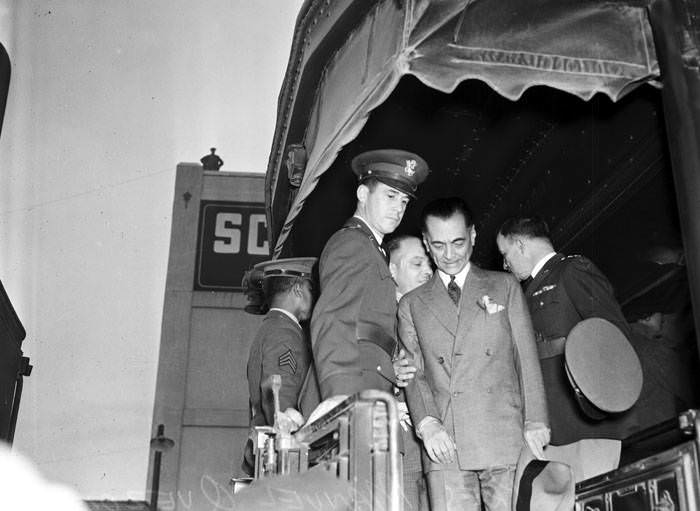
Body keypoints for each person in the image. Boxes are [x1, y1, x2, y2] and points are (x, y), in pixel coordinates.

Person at [400, 197, 549, 511]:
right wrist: (427, 424)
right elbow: (414, 371)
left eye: (458, 243)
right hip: (445, 442)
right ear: (426, 243)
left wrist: (536, 419)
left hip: (503, 433)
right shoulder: (411, 304)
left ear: (473, 235)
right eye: (438, 245)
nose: (449, 255)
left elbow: (526, 357)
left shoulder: (505, 286)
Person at [496, 216, 634, 482]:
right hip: (555, 426)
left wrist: (597, 406)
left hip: (587, 423)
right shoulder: (526, 292)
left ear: (521, 245)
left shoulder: (572, 270)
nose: (505, 263)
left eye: (506, 254)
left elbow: (613, 337)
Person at [310, 149, 429, 406]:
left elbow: (369, 330)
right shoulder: (352, 244)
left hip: (370, 383)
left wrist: (390, 364)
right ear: (363, 194)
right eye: (390, 195)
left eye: (404, 202)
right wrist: (340, 400)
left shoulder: (372, 250)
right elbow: (333, 321)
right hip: (353, 390)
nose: (398, 208)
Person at [243, 257, 317, 475]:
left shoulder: (272, 328)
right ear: (298, 289)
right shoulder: (284, 333)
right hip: (284, 456)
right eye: (311, 289)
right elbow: (281, 391)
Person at [386, 234, 433, 511]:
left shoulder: (433, 312)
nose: (428, 271)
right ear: (393, 270)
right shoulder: (379, 317)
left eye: (429, 263)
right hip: (402, 449)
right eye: (417, 264)